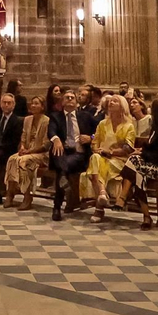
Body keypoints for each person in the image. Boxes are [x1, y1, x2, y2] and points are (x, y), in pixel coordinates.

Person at [85, 94, 136, 218]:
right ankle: (102, 193)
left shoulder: (128, 126)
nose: (111, 103)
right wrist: (97, 150)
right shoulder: (103, 124)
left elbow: (128, 148)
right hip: (102, 158)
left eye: (115, 101)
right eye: (110, 101)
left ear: (122, 106)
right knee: (95, 158)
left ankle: (99, 209)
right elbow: (95, 142)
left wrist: (111, 152)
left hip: (118, 160)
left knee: (99, 166)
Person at [47, 89, 95, 221]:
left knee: (61, 170)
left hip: (79, 154)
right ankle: (63, 181)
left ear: (76, 102)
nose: (69, 99)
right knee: (59, 155)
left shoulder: (85, 116)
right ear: (62, 102)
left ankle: (57, 207)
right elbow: (51, 131)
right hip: (61, 152)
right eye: (66, 97)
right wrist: (56, 139)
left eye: (72, 97)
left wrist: (91, 137)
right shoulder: (55, 117)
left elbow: (100, 130)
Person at [4, 95, 50, 210]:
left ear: (42, 107)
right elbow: (23, 136)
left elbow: (46, 144)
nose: (33, 106)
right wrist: (23, 147)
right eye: (32, 103)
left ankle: (27, 196)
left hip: (41, 154)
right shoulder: (27, 119)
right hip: (27, 151)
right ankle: (10, 193)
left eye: (36, 103)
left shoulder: (47, 121)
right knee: (12, 159)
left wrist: (29, 151)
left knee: (23, 161)